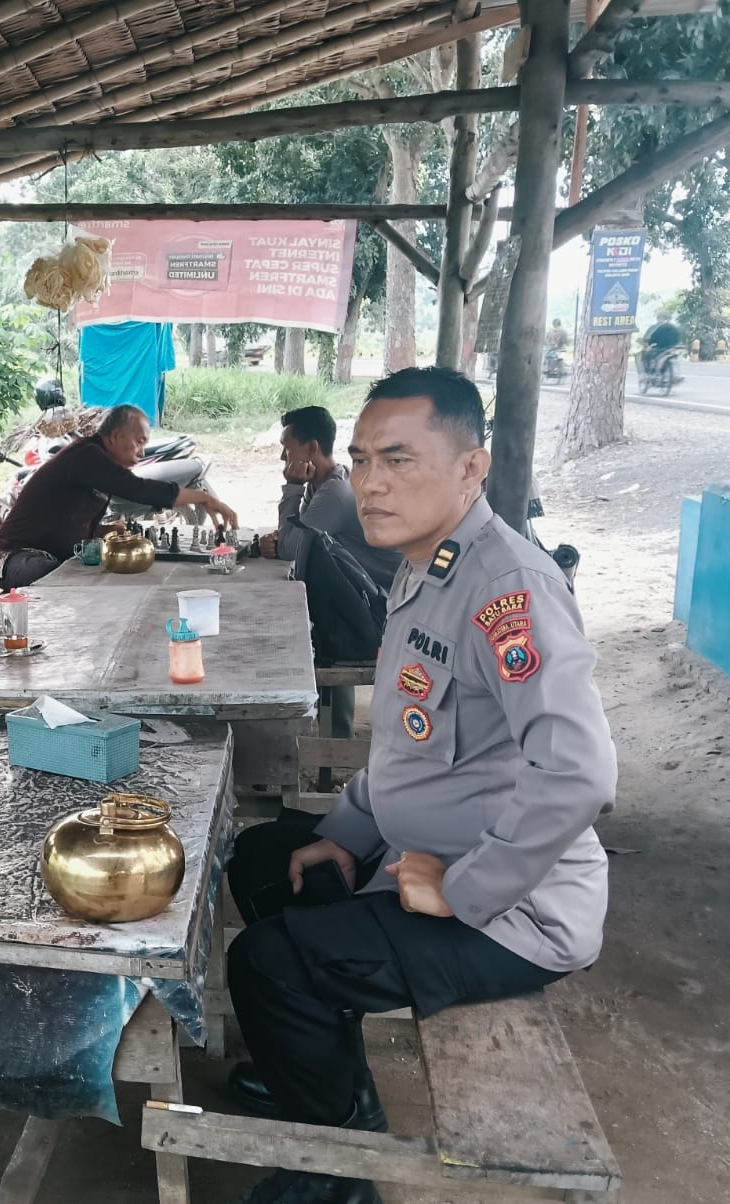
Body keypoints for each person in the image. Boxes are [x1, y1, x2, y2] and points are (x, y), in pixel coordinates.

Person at [222, 366, 617, 1204]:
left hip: (513, 913)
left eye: (399, 459)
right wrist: (346, 836)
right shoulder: (426, 565)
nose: (371, 483)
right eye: (363, 460)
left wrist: (463, 890)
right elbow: (410, 745)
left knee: (267, 964)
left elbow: (577, 772)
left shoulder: (508, 589)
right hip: (414, 858)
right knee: (263, 859)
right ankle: (325, 1077)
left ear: (471, 467)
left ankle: (337, 1164)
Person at [0, 404, 237, 591]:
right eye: (139, 442)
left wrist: (101, 530)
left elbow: (64, 517)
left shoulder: (97, 462)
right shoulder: (87, 456)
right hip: (14, 560)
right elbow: (138, 489)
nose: (141, 452)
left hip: (40, 557)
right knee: (75, 584)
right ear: (117, 436)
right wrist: (202, 498)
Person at [258, 406, 400, 590]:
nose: (282, 457)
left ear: (312, 448)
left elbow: (290, 550)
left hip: (388, 596)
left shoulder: (334, 492)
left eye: (287, 448)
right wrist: (281, 541)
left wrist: (292, 487)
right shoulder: (320, 483)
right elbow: (298, 536)